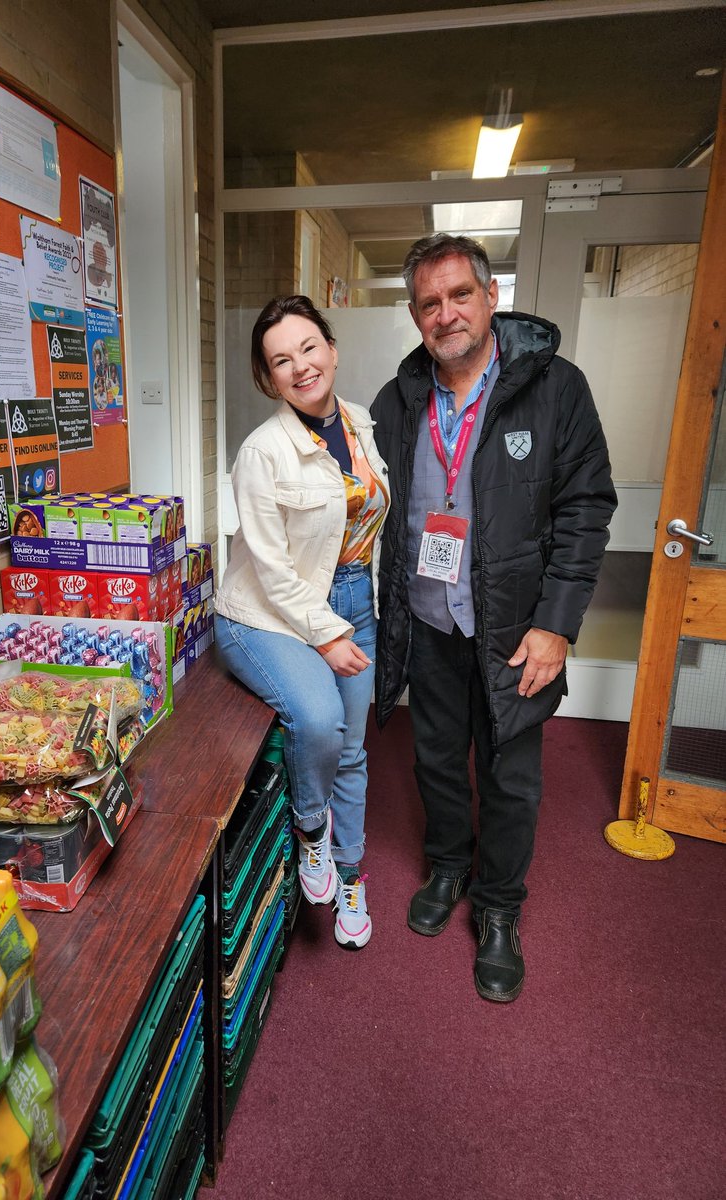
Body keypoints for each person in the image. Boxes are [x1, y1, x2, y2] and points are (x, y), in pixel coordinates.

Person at [372, 234, 616, 1001]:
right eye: (429, 303)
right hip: (430, 620)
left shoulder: (554, 388)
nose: (446, 314)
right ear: (416, 316)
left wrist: (557, 624)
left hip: (518, 631)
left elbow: (586, 508)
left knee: (512, 778)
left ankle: (501, 909)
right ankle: (449, 867)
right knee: (438, 761)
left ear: (490, 296)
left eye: (459, 296)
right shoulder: (398, 399)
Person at [215, 295, 390, 950]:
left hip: (352, 599)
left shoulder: (361, 423)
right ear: (269, 378)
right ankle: (309, 830)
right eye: (280, 360)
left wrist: (353, 619)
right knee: (319, 722)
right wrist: (328, 632)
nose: (300, 366)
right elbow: (271, 567)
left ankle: (351, 875)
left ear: (333, 350)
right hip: (263, 613)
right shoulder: (262, 452)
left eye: (309, 347)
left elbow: (366, 520)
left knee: (352, 752)